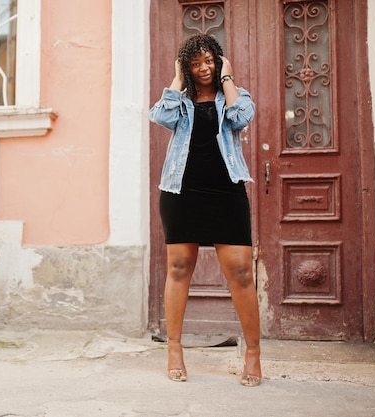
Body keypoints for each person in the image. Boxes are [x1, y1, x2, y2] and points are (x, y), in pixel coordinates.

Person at [148, 33, 261, 387]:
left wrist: (228, 77)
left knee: (241, 272)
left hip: (226, 192)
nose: (203, 68)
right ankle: (175, 349)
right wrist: (178, 77)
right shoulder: (180, 104)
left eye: (209, 60)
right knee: (179, 268)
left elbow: (244, 116)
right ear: (188, 67)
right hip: (182, 192)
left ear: (218, 60)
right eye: (195, 63)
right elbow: (159, 115)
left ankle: (253, 354)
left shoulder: (232, 99)